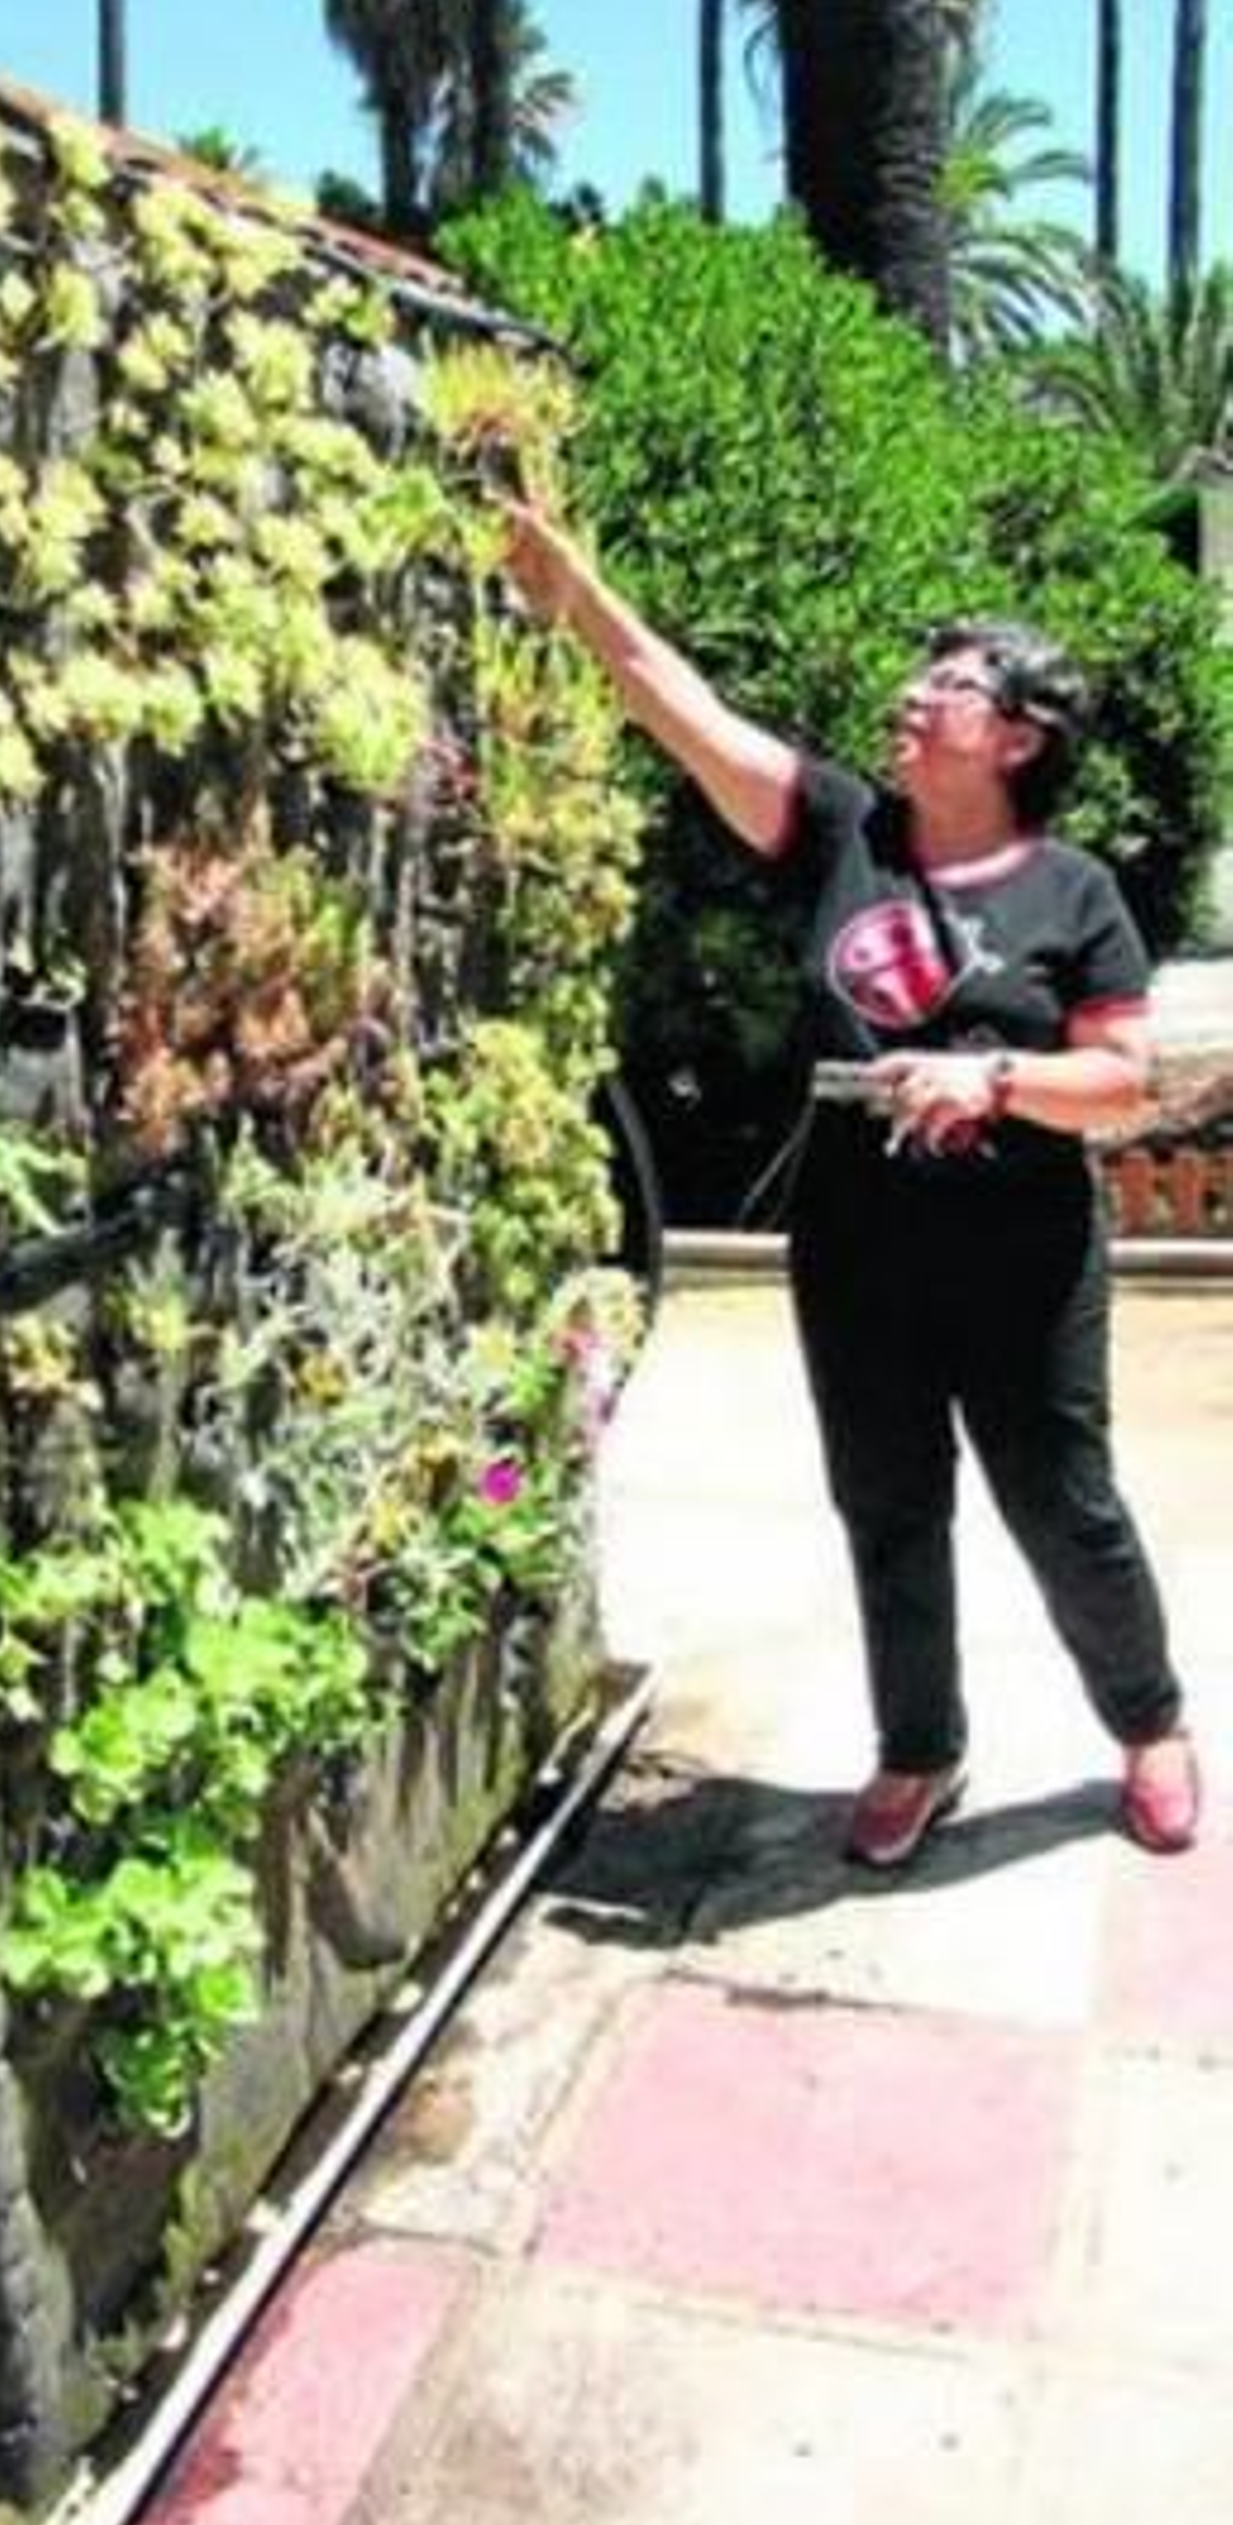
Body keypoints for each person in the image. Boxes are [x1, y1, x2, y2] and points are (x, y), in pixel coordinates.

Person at [503, 501, 1200, 1866]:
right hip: (857, 1248)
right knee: (888, 1500)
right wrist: (574, 591)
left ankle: (1149, 1723)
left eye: (950, 686)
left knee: (1063, 1501)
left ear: (1018, 736)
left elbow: (1121, 1085)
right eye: (924, 677)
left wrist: (993, 1080)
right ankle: (919, 1747)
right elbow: (680, 709)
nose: (912, 696)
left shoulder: (1074, 893)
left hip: (1024, 1258)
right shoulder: (841, 831)